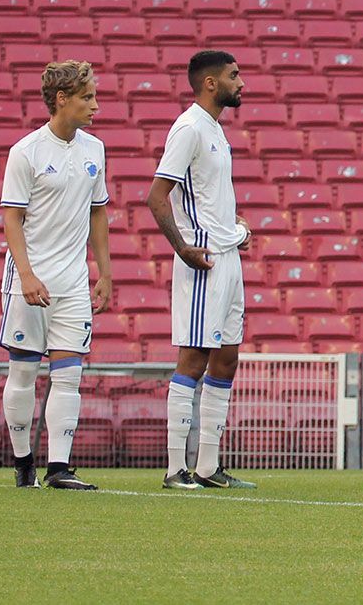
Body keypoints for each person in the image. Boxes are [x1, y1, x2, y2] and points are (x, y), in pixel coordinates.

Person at [0, 60, 111, 491]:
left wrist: (104, 272)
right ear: (62, 99)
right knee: (23, 373)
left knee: (69, 375)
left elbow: (99, 212)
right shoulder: (26, 151)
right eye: (88, 97)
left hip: (73, 282)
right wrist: (25, 275)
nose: (95, 105)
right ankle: (24, 461)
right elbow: (12, 218)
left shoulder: (94, 149)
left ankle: (59, 467)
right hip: (30, 280)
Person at [148, 50, 257, 490]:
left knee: (227, 357)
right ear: (210, 83)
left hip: (227, 256)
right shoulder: (189, 127)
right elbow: (157, 197)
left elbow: (209, 197)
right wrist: (185, 249)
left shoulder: (214, 129)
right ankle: (176, 469)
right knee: (193, 358)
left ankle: (208, 467)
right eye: (234, 75)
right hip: (203, 261)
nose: (241, 82)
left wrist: (236, 227)